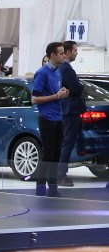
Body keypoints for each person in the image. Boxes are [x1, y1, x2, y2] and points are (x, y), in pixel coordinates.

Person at [31, 42, 69, 196]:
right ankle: (40, 186)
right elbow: (34, 99)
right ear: (52, 55)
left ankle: (53, 186)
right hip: (47, 117)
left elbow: (56, 92)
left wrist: (62, 92)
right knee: (47, 153)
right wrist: (56, 96)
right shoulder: (42, 73)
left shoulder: (58, 71)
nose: (64, 56)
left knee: (56, 153)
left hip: (58, 117)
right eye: (61, 53)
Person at [58, 39, 87, 187]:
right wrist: (81, 86)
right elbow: (77, 88)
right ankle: (60, 175)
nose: (76, 53)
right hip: (70, 111)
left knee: (66, 143)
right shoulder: (67, 69)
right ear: (68, 52)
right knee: (67, 143)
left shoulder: (62, 68)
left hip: (67, 110)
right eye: (75, 50)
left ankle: (59, 174)